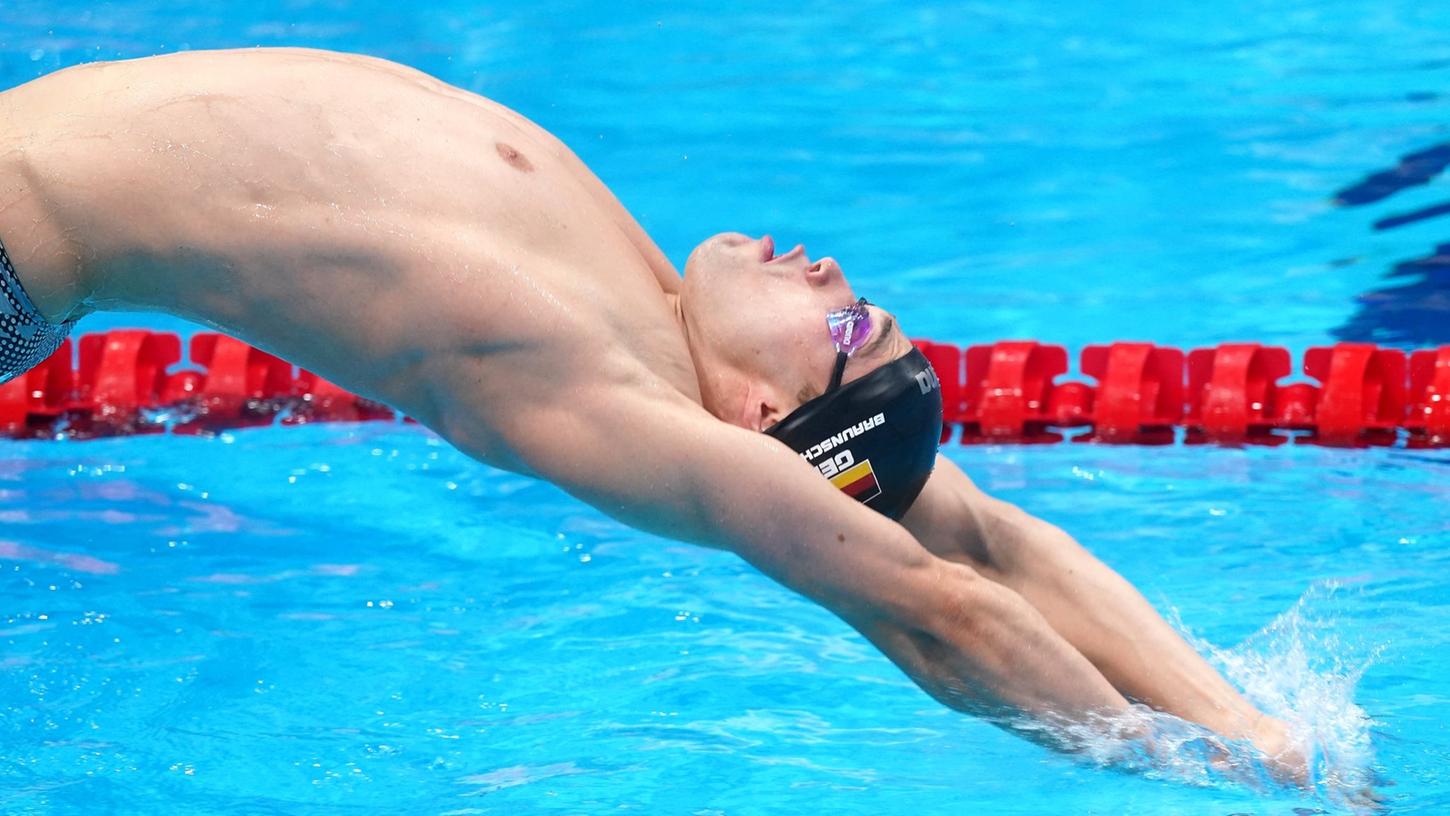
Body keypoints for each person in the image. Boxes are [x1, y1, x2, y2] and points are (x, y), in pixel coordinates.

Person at [0, 48, 1303, 779]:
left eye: (848, 328)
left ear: (755, 409)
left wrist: (1169, 773)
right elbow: (990, 543)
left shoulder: (585, 377)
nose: (837, 276)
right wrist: (1259, 736)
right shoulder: (670, 308)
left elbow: (932, 601)